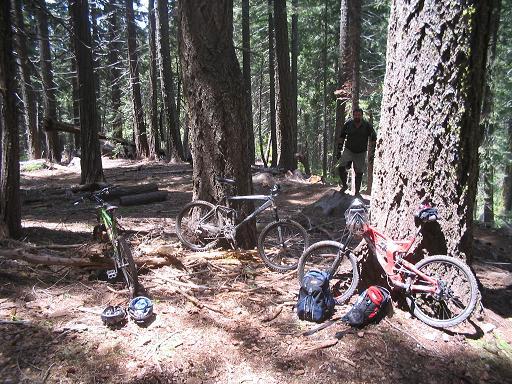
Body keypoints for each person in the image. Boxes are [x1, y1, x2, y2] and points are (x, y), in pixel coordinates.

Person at [336, 108, 377, 195]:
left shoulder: (367, 125)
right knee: (341, 167)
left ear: (362, 116)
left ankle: (357, 192)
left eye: (359, 115)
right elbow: (342, 136)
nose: (357, 117)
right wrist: (339, 149)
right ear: (353, 115)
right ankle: (344, 186)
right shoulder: (348, 124)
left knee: (359, 172)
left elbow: (373, 138)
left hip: (361, 152)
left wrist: (373, 152)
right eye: (355, 115)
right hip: (348, 150)